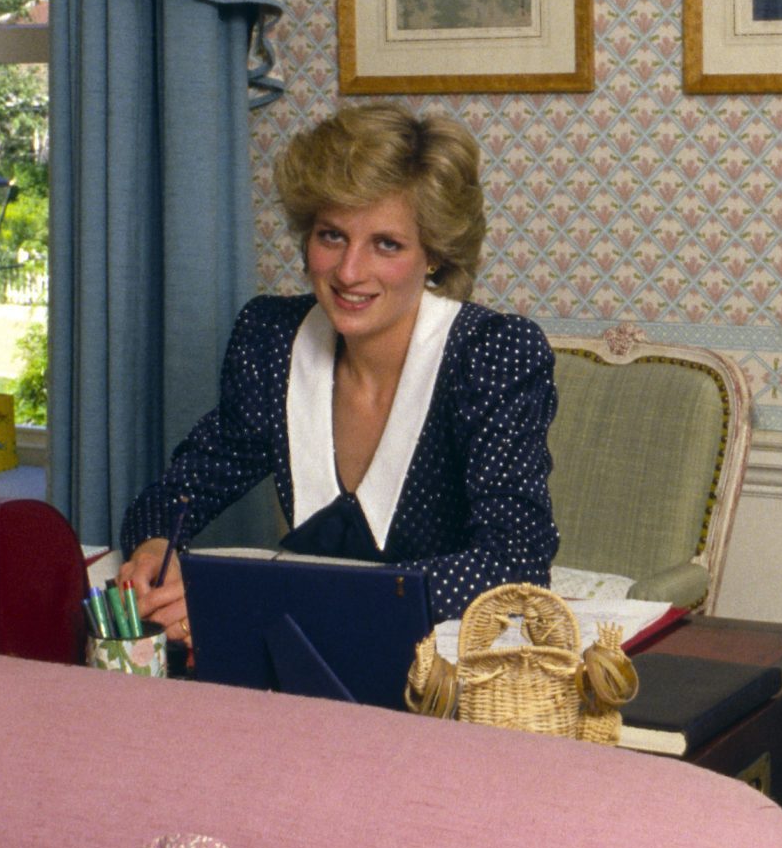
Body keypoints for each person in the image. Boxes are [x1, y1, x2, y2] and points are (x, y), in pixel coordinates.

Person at [116, 102, 561, 643]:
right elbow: (178, 494)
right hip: (302, 656)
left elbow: (515, 562)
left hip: (443, 669)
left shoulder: (491, 353)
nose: (349, 272)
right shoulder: (272, 338)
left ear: (436, 255)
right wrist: (154, 547)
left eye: (386, 244)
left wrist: (279, 598)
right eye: (331, 236)